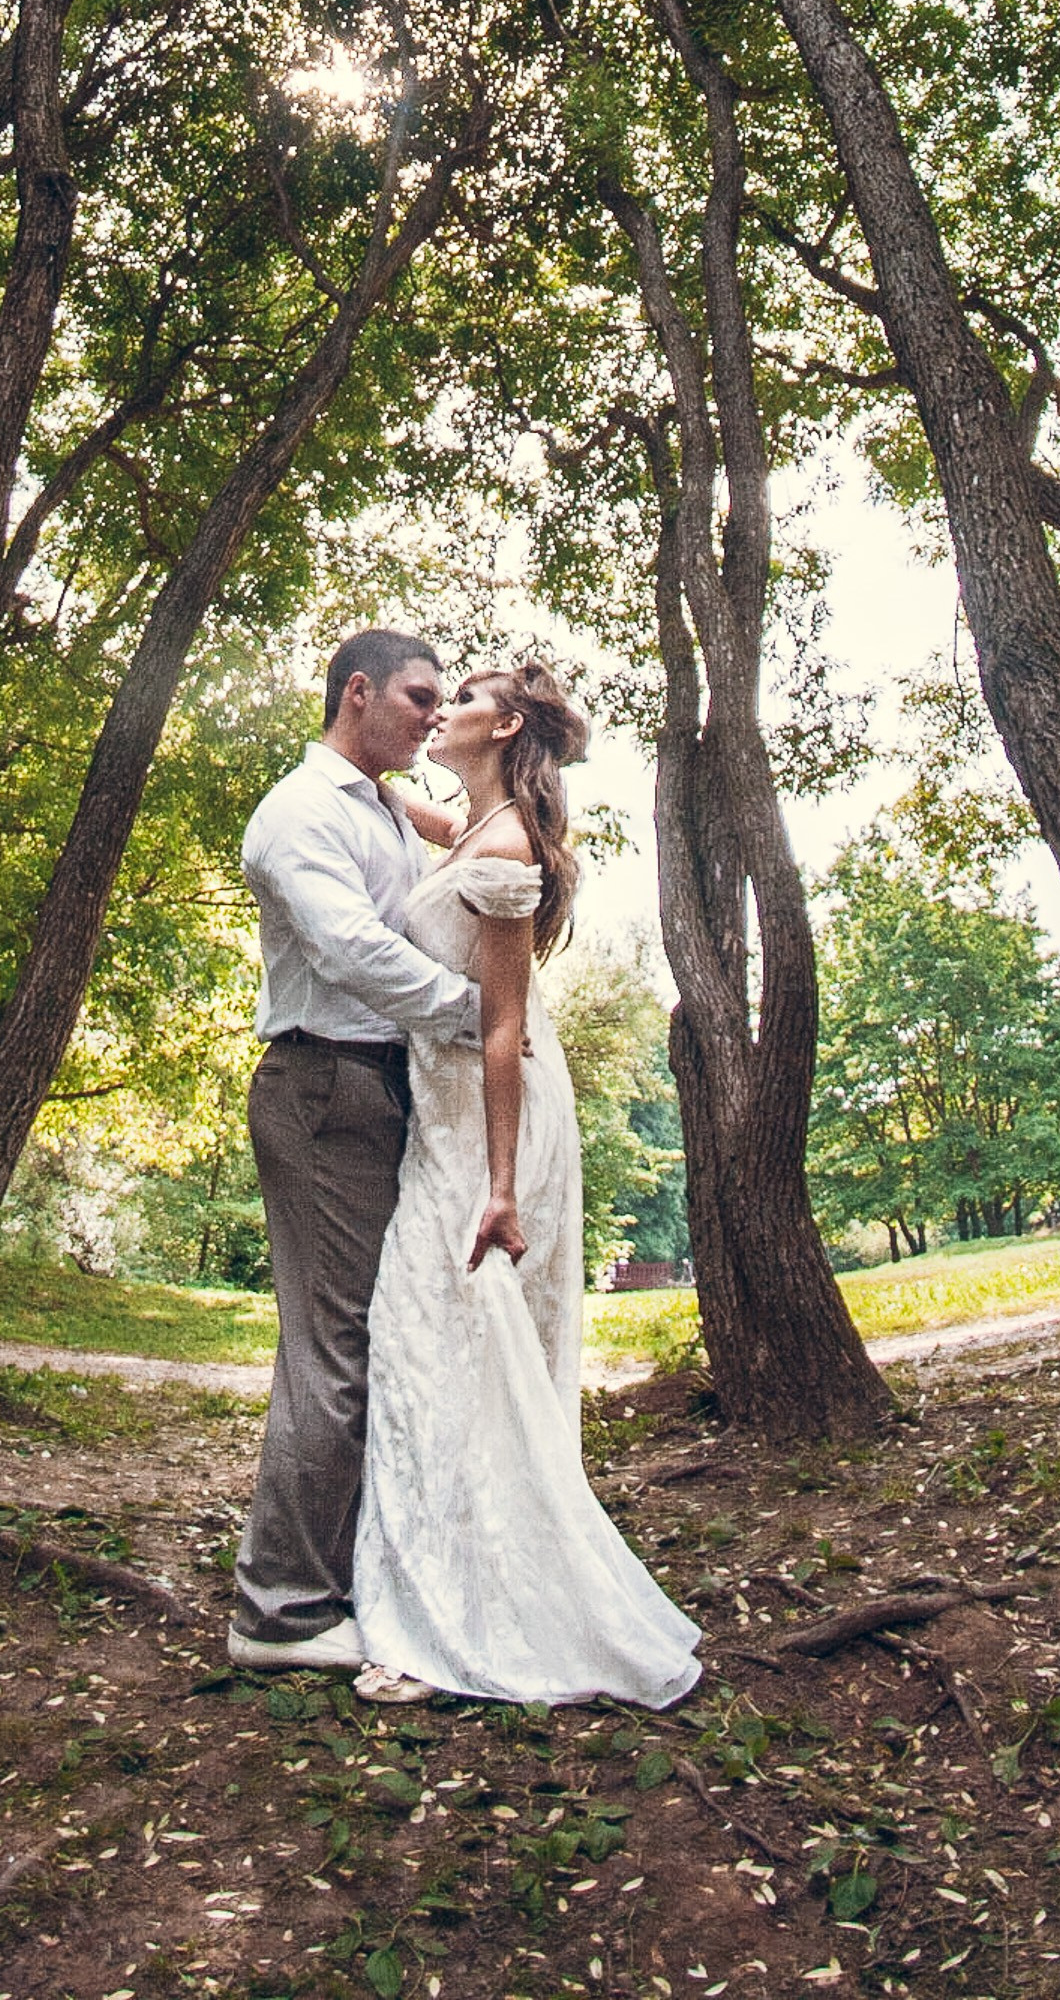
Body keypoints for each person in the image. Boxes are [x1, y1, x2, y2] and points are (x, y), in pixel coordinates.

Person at [349, 660, 701, 1709]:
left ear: (501, 724)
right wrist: (354, 763)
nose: (440, 707)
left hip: (490, 1128)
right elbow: (406, 806)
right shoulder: (469, 828)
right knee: (431, 1344)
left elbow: (501, 1026)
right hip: (447, 1120)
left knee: (445, 1343)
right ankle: (435, 1585)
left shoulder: (502, 850)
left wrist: (500, 1185)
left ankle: (450, 1619)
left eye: (459, 695)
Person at [229, 625, 479, 1671]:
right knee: (332, 1353)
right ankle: (279, 1614)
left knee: (374, 1337)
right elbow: (351, 948)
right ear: (358, 691)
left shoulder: (378, 798)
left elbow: (472, 829)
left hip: (377, 1086)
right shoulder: (297, 813)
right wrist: (478, 1011)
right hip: (323, 1084)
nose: (432, 712)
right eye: (420, 696)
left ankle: (345, 1576)